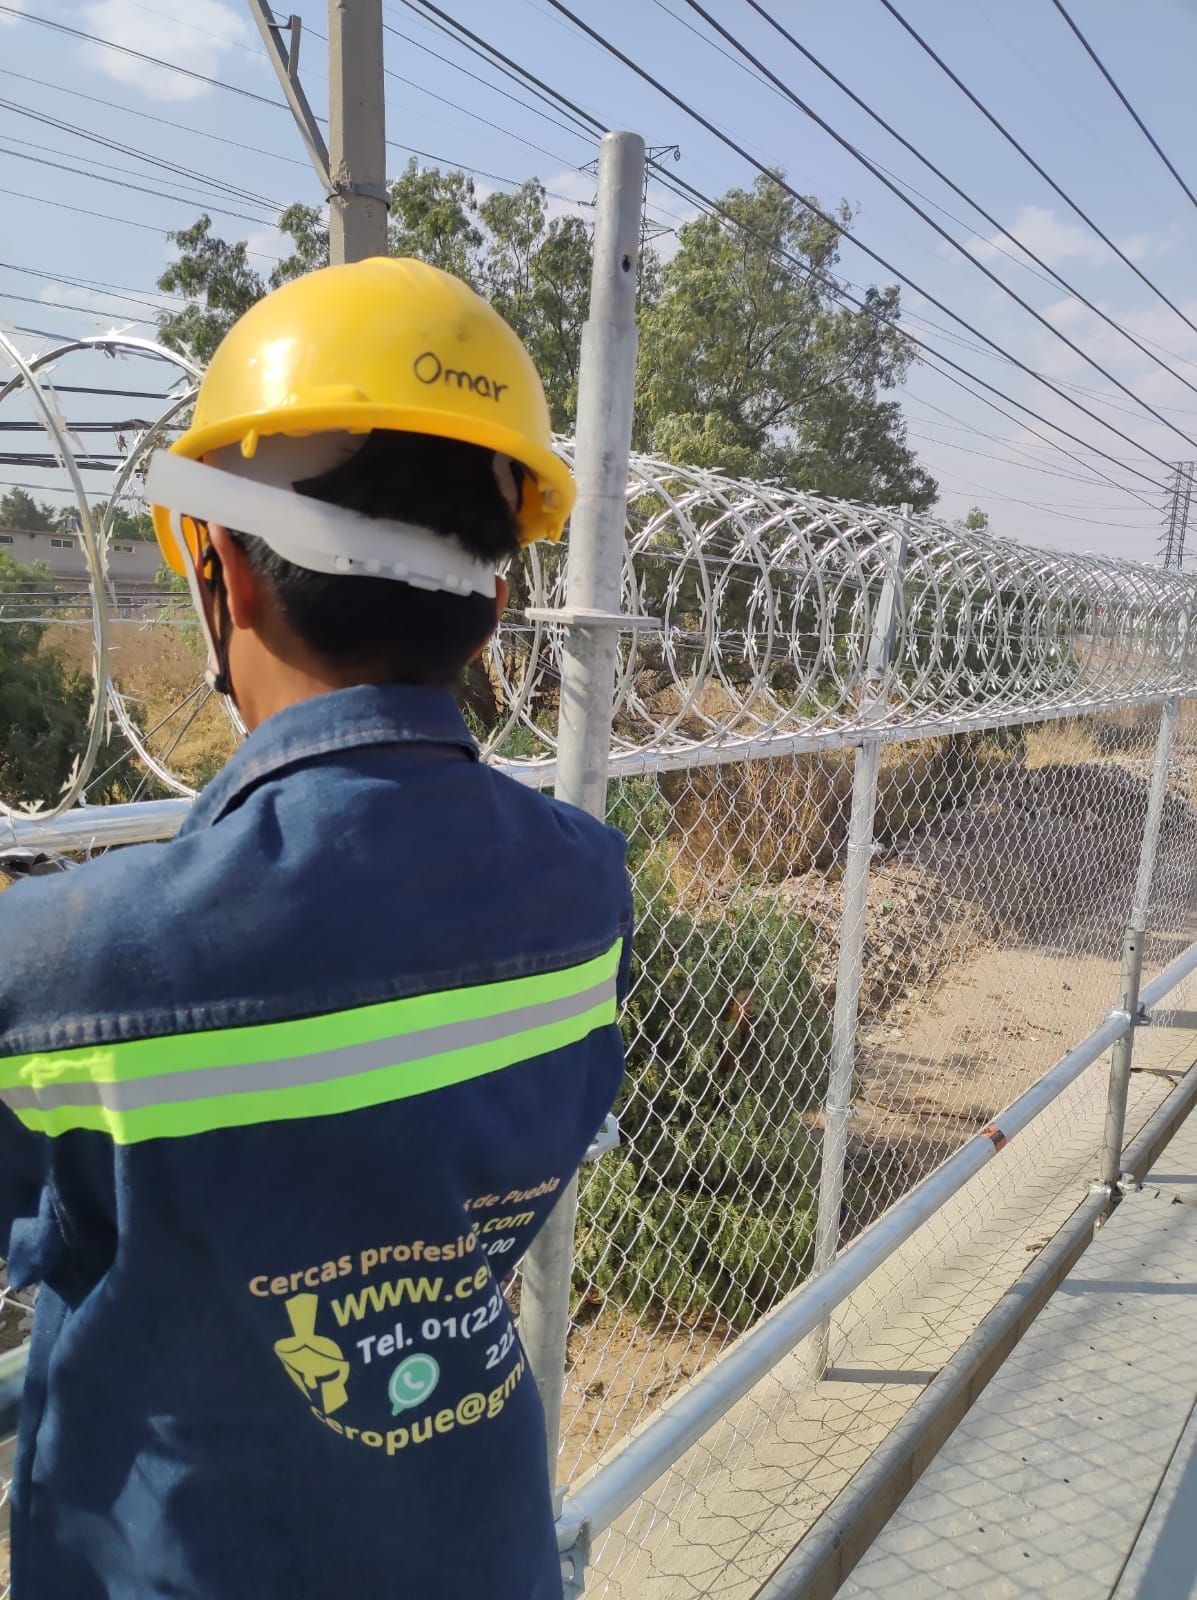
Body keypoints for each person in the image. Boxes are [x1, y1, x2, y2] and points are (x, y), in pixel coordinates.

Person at [0, 257, 631, 1599]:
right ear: (497, 594)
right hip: (477, 1550)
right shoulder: (585, 883)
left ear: (219, 564)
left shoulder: (78, 961)